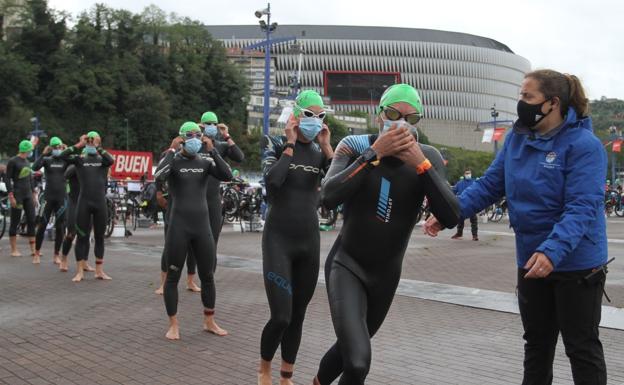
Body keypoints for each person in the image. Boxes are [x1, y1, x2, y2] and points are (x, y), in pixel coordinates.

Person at [425, 70, 608, 385]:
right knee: (536, 344)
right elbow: (489, 186)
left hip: (577, 264)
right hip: (531, 260)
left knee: (581, 347)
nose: (520, 104)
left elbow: (582, 206)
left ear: (552, 103)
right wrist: (448, 214)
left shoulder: (584, 145)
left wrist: (553, 251)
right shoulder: (517, 139)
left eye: (527, 97)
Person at [313, 84, 459, 385]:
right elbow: (327, 196)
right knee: (357, 362)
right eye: (393, 113)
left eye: (411, 117)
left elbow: (451, 216)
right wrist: (374, 154)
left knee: (348, 352)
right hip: (347, 265)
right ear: (379, 114)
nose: (401, 123)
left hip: (385, 277)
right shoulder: (354, 145)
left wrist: (421, 165)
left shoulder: (427, 156)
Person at [258, 90, 334, 385]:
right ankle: (264, 368)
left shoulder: (319, 151)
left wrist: (328, 148)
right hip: (278, 240)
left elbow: (336, 189)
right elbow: (272, 183)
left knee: (298, 316)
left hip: (308, 242)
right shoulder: (274, 143)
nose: (315, 121)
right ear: (296, 115)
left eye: (320, 116)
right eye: (309, 115)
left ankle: (286, 376)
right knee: (281, 316)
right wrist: (289, 144)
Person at [154, 122, 232, 340]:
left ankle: (209, 321)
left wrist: (213, 150)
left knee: (207, 275)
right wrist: (171, 149)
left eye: (198, 135)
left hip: (202, 227)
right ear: (181, 139)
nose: (196, 138)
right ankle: (174, 324)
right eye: (190, 136)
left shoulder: (205, 162)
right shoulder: (174, 160)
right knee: (173, 277)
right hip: (179, 226)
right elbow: (158, 176)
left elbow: (227, 175)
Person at [58, 131, 114, 282]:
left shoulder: (103, 160)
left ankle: (99, 271)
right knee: (82, 237)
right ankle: (79, 272)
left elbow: (111, 160)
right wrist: (79, 144)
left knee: (99, 237)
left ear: (98, 142)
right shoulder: (80, 160)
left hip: (99, 203)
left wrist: (98, 147)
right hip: (83, 203)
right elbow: (62, 156)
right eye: (88, 140)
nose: (90, 143)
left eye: (93, 141)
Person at [198, 111, 244, 252]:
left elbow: (239, 156)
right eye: (208, 124)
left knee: (212, 242)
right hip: (196, 199)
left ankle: (209, 273)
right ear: (201, 126)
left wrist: (226, 135)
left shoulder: (221, 146)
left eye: (214, 124)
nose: (211, 126)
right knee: (194, 243)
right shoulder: (194, 146)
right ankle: (191, 273)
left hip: (213, 200)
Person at [32, 137, 69, 264]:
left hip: (61, 198)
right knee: (42, 225)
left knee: (60, 227)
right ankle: (36, 253)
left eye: (58, 147)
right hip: (48, 197)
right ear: (51, 148)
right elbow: (34, 166)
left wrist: (67, 150)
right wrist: (44, 153)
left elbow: (75, 160)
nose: (57, 150)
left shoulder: (65, 160)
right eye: (54, 148)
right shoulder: (47, 160)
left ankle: (56, 255)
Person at [6, 140, 37, 259]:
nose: (31, 152)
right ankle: (14, 249)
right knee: (15, 221)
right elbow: (8, 179)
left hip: (28, 195)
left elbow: (30, 179)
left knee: (31, 220)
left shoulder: (27, 162)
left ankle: (33, 249)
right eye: (30, 150)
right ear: (26, 149)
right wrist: (11, 195)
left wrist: (34, 193)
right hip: (17, 194)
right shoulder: (13, 161)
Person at [451, 169, 478, 241]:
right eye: (466, 173)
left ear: (471, 174)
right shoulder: (460, 183)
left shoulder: (474, 182)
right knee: (460, 219)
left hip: (472, 203)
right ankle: (459, 233)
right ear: (464, 174)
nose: (468, 174)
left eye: (469, 173)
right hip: (462, 203)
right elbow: (454, 190)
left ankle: (475, 235)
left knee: (474, 220)